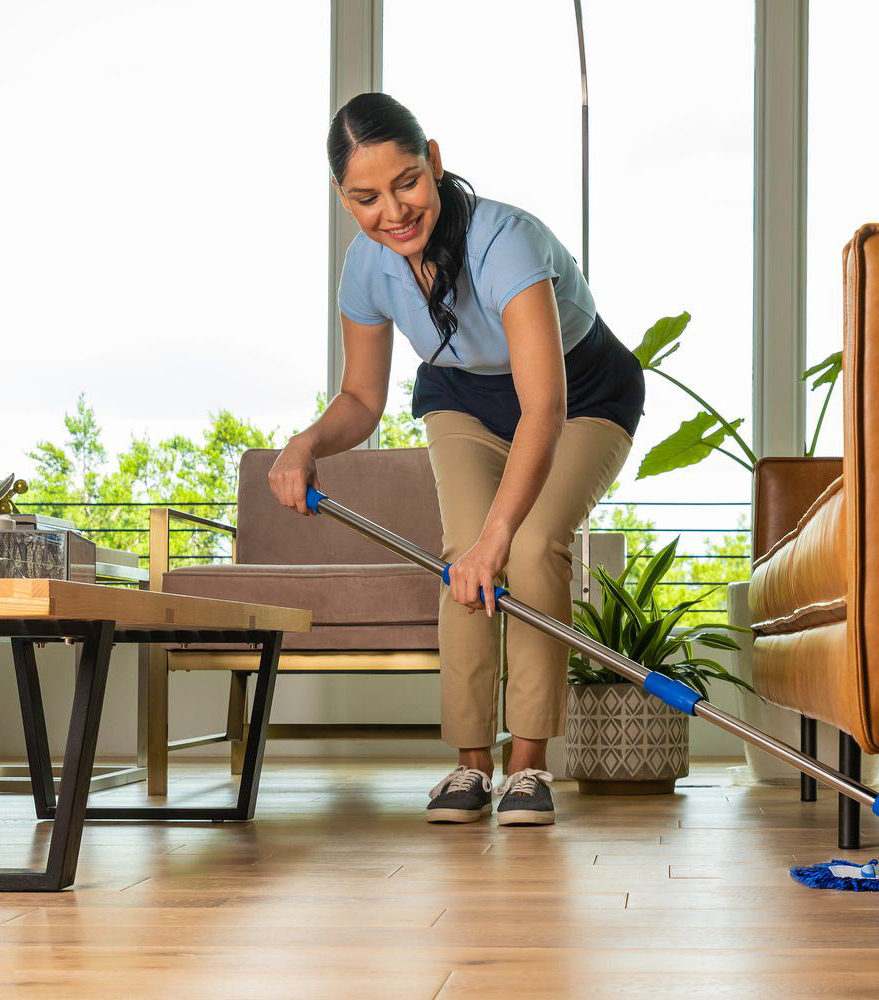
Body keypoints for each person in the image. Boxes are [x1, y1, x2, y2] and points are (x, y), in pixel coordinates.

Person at [268, 93, 645, 826]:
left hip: (580, 393)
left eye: (407, 182)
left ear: (434, 162)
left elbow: (545, 407)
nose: (394, 212)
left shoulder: (503, 241)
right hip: (462, 398)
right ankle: (470, 766)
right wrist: (305, 443)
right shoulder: (366, 269)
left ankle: (529, 768)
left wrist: (500, 537)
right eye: (366, 197)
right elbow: (360, 398)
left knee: (530, 546)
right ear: (343, 198)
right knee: (461, 556)